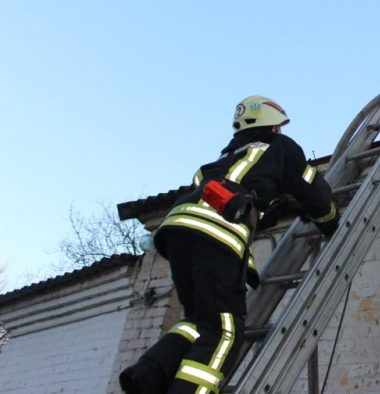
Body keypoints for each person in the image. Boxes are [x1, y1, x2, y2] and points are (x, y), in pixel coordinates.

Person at [119, 95, 339, 394]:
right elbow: (311, 189)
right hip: (217, 235)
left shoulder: (218, 163)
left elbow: (248, 202)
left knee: (197, 321)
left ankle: (147, 374)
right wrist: (331, 222)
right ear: (273, 126)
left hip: (178, 231)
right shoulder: (281, 148)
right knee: (224, 331)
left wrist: (279, 206)